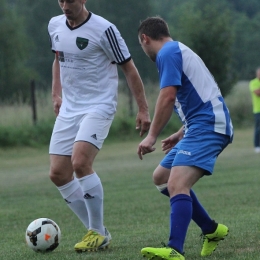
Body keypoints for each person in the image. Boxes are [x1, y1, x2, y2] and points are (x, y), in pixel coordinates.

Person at [47, 0, 151, 253]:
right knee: (58, 174)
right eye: (60, 0)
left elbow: (129, 67)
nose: (64, 5)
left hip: (99, 105)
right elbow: (58, 59)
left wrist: (143, 108)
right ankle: (100, 233)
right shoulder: (54, 25)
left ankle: (95, 232)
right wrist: (56, 94)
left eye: (70, 0)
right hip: (70, 108)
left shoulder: (105, 29)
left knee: (80, 162)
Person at [137, 17, 233, 260]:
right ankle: (211, 230)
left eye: (141, 45)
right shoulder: (176, 49)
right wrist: (182, 131)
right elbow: (199, 93)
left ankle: (175, 249)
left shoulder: (167, 53)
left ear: (145, 39)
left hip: (209, 125)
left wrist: (152, 136)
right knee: (161, 177)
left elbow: (168, 97)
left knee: (177, 184)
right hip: (199, 124)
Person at [249, 68, 260, 153]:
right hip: (258, 110)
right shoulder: (253, 82)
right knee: (258, 129)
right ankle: (257, 145)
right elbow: (257, 93)